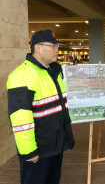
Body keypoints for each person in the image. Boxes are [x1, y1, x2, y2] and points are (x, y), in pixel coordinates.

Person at [7, 29, 75, 184]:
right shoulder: (22, 75)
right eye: (53, 46)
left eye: (57, 47)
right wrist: (29, 151)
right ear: (38, 47)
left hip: (56, 144)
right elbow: (20, 118)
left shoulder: (54, 72)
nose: (57, 50)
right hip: (38, 149)